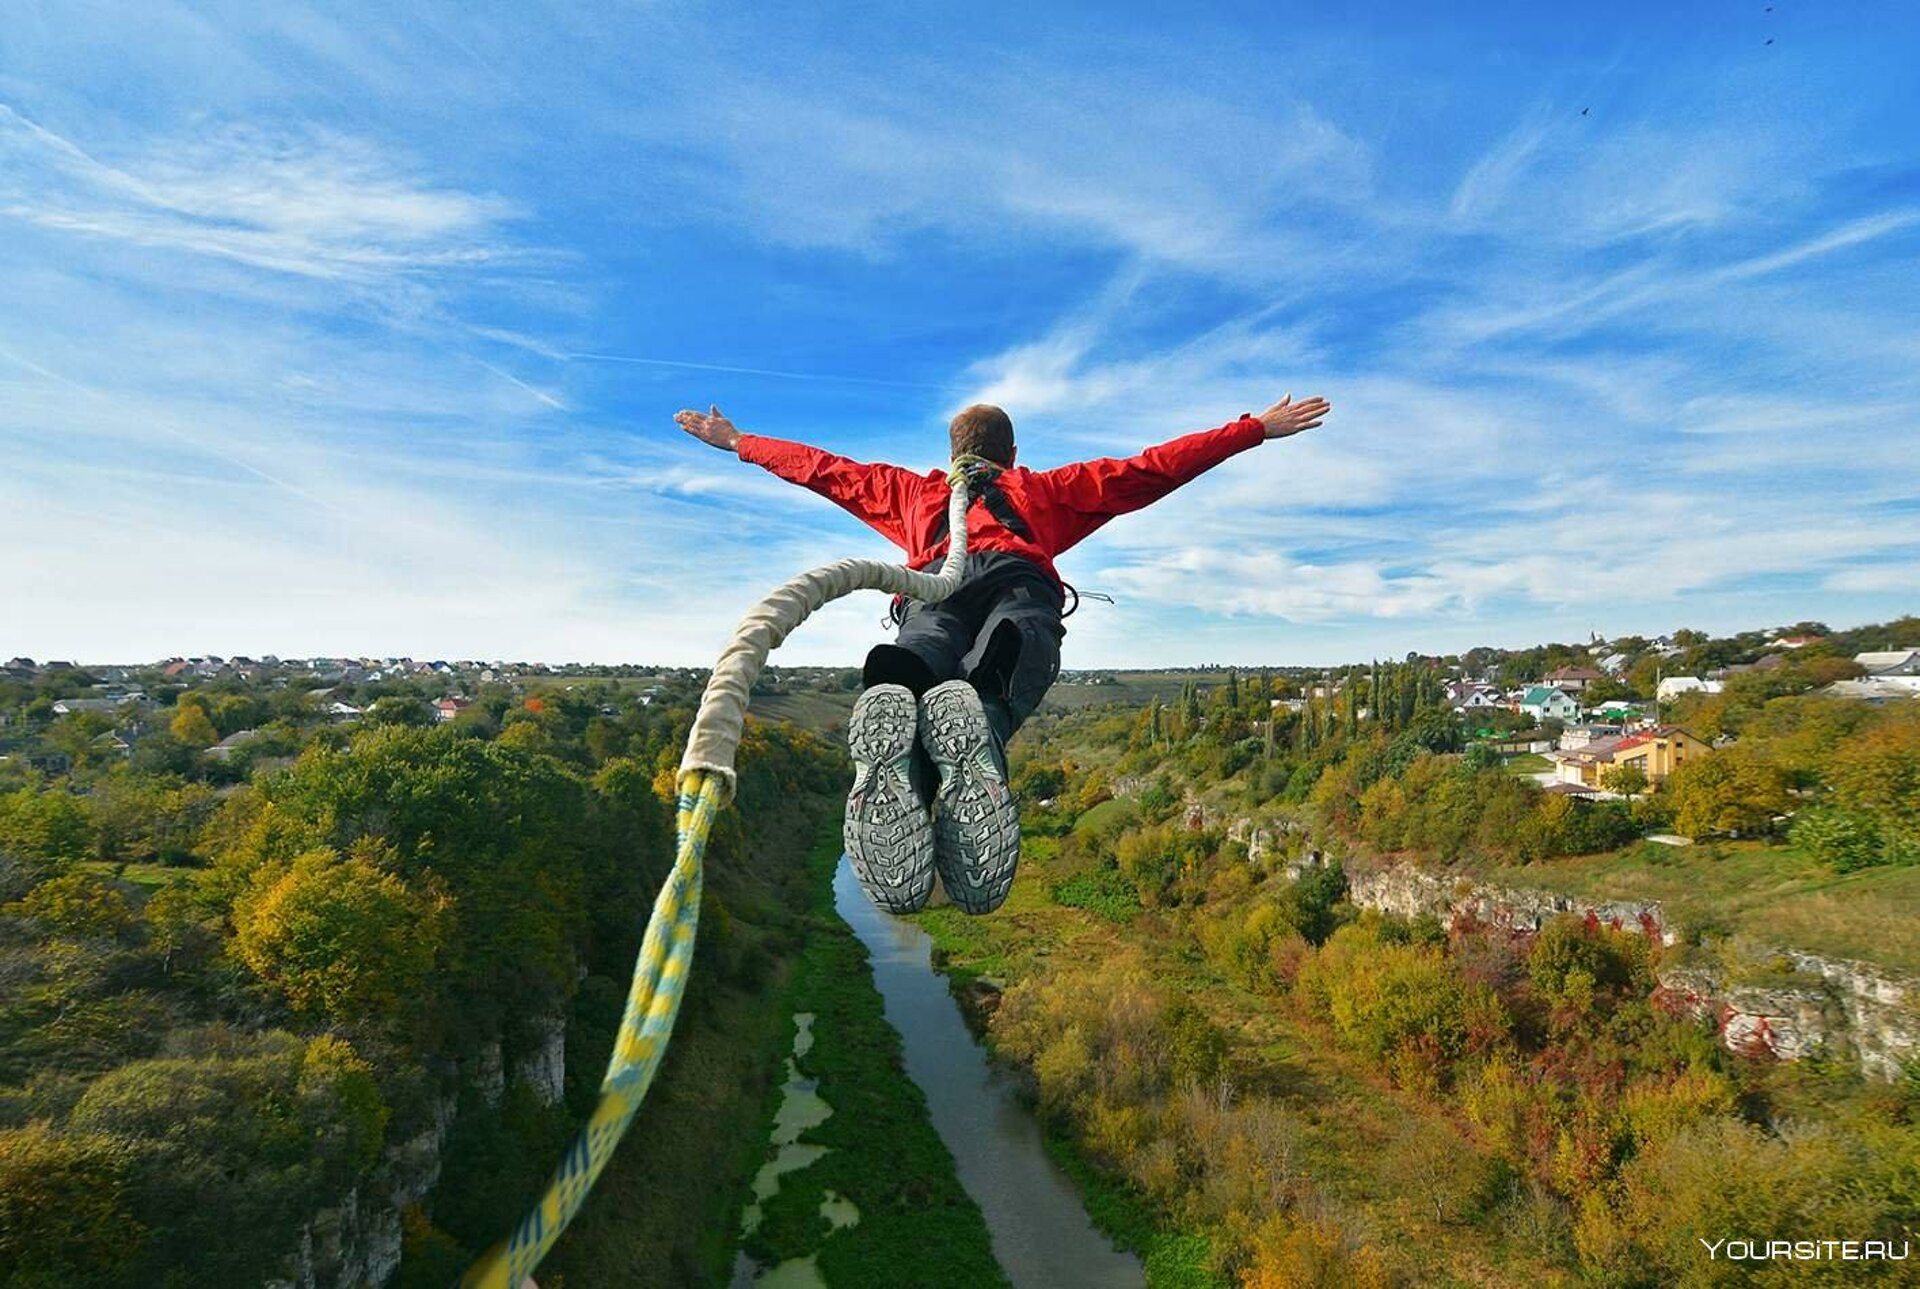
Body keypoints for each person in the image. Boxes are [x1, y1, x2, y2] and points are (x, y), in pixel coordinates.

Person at [674, 394, 1331, 915]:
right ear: (1012, 454)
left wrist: (738, 442)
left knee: (927, 647)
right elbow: (1153, 468)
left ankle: (902, 696)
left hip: (933, 587)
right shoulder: (1047, 490)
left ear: (952, 451)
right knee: (1018, 641)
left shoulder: (907, 491)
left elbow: (823, 470)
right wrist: (1254, 429)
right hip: (1017, 580)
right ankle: (981, 712)